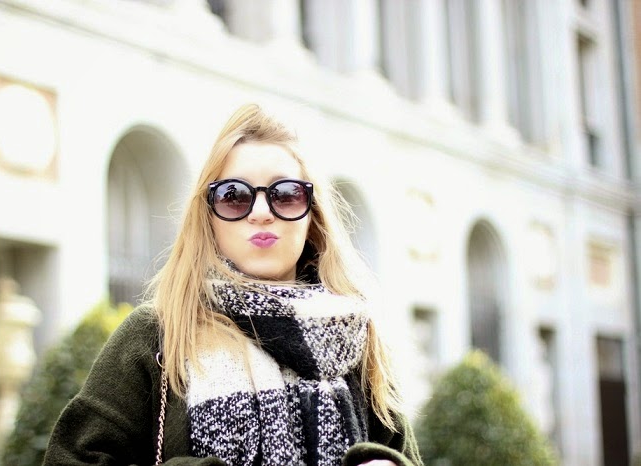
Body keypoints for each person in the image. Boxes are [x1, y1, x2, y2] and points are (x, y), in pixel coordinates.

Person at [43, 104, 423, 466]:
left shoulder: (356, 338)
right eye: (234, 196)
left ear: (313, 215)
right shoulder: (160, 334)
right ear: (209, 217)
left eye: (286, 194)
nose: (261, 213)